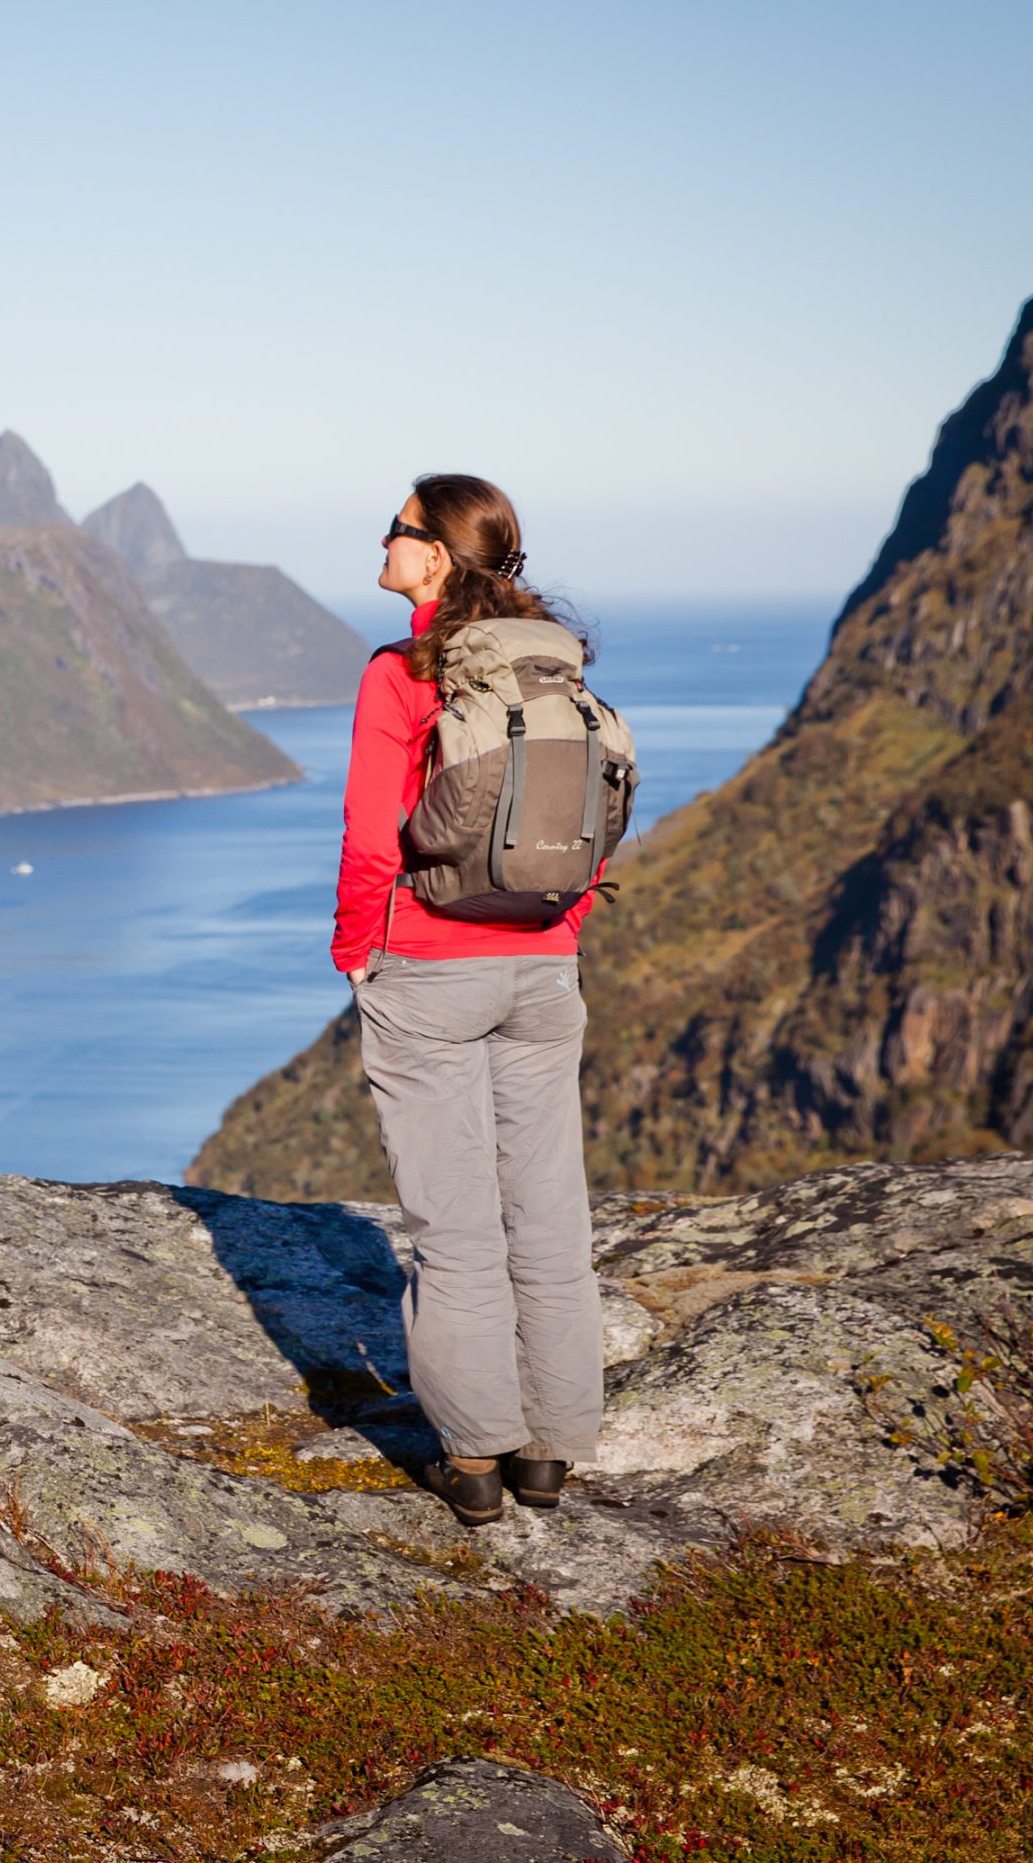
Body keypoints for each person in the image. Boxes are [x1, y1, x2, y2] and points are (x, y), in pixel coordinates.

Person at [334, 473, 603, 1526]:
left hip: (431, 971)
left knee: (452, 1227)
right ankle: (553, 1448)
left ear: (436, 556)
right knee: (548, 1212)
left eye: (398, 530)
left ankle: (478, 1460)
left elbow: (368, 835)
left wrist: (356, 950)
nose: (383, 543)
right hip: (543, 963)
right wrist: (560, 929)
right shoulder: (552, 663)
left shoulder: (403, 672)